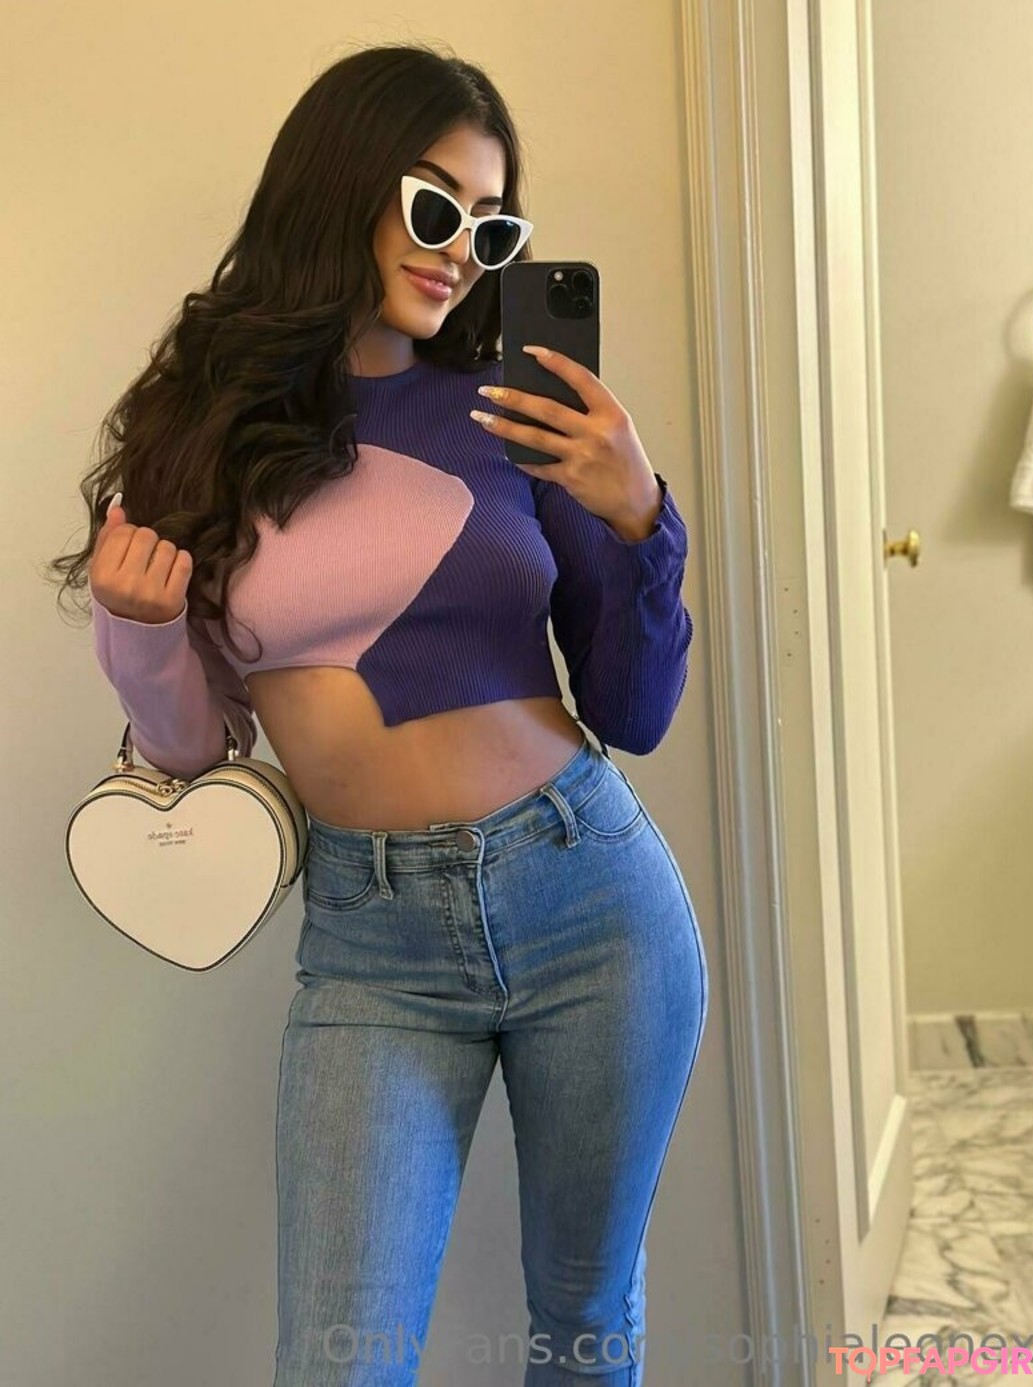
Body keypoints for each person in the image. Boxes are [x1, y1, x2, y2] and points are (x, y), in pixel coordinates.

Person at [56, 41, 708, 1386]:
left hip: (590, 896)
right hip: (371, 944)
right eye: (432, 205)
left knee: (587, 1324)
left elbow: (633, 709)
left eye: (491, 225)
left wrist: (641, 517)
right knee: (338, 1360)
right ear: (340, 182)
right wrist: (137, 626)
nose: (461, 249)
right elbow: (190, 749)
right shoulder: (206, 430)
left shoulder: (511, 413)